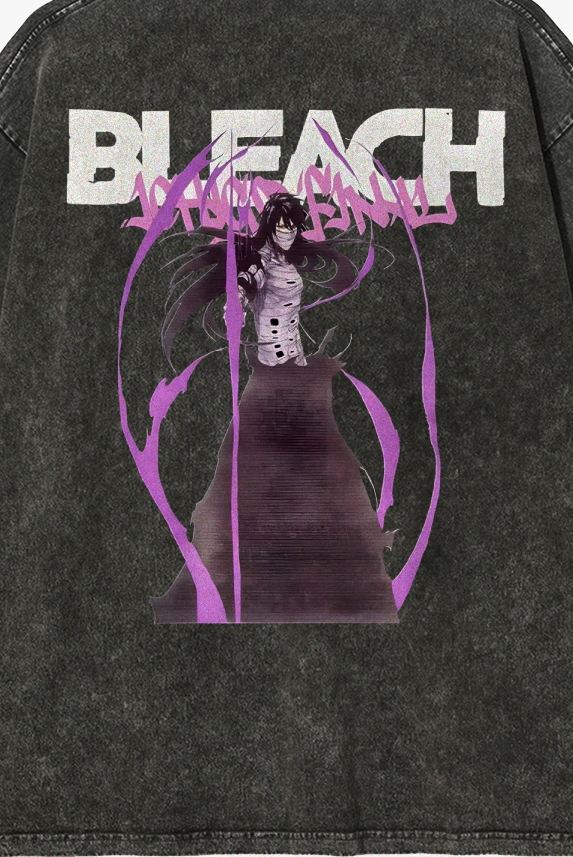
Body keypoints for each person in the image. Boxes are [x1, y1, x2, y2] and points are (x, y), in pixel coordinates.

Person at [151, 192, 399, 624]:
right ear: (270, 225)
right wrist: (237, 302)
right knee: (245, 471)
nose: (287, 232)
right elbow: (241, 294)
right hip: (272, 375)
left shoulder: (284, 260)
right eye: (281, 225)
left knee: (330, 467)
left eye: (293, 226)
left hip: (297, 373)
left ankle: (343, 578)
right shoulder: (260, 262)